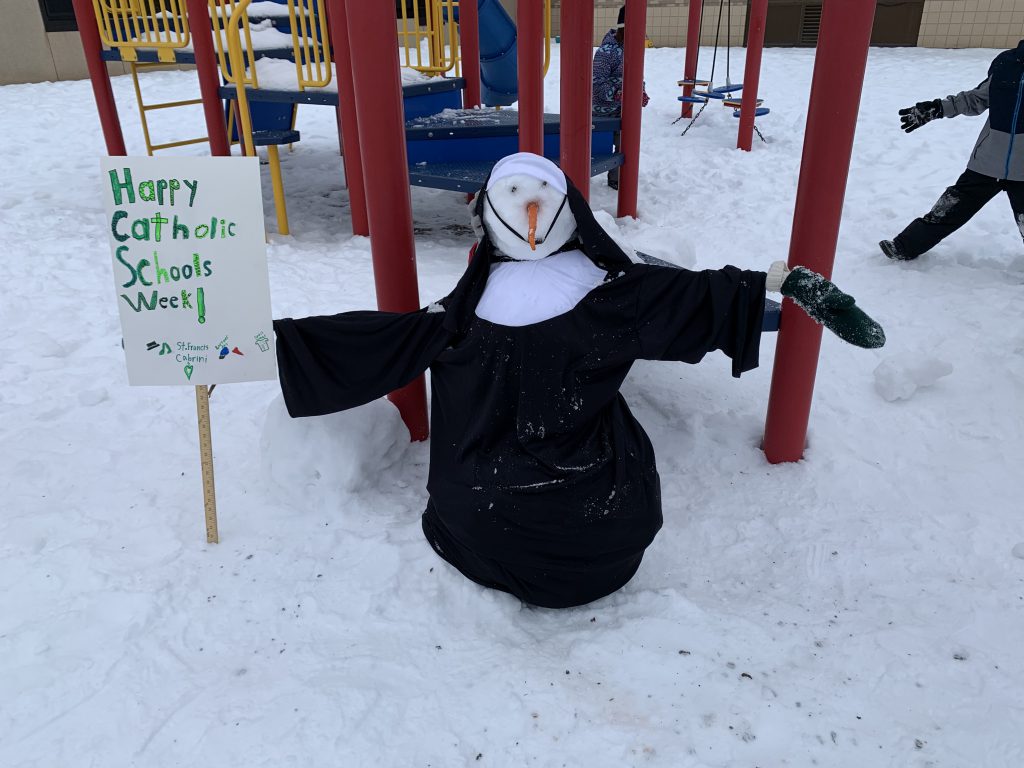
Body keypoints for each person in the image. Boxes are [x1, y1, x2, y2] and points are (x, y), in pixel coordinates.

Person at [273, 152, 884, 609]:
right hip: (599, 533)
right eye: (517, 199)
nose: (531, 215)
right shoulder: (615, 299)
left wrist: (269, 341)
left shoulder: (458, 317)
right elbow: (701, 295)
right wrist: (787, 283)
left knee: (468, 490)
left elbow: (380, 340)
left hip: (483, 522)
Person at [880, 40, 1024, 261]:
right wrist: (938, 108)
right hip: (987, 162)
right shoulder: (1007, 62)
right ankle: (904, 247)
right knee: (948, 209)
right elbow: (977, 98)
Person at [592, 5, 650, 189]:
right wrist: (618, 95)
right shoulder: (606, 52)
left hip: (625, 110)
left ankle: (617, 178)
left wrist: (640, 92)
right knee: (600, 147)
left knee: (625, 144)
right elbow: (596, 83)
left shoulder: (632, 49)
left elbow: (636, 77)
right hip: (602, 111)